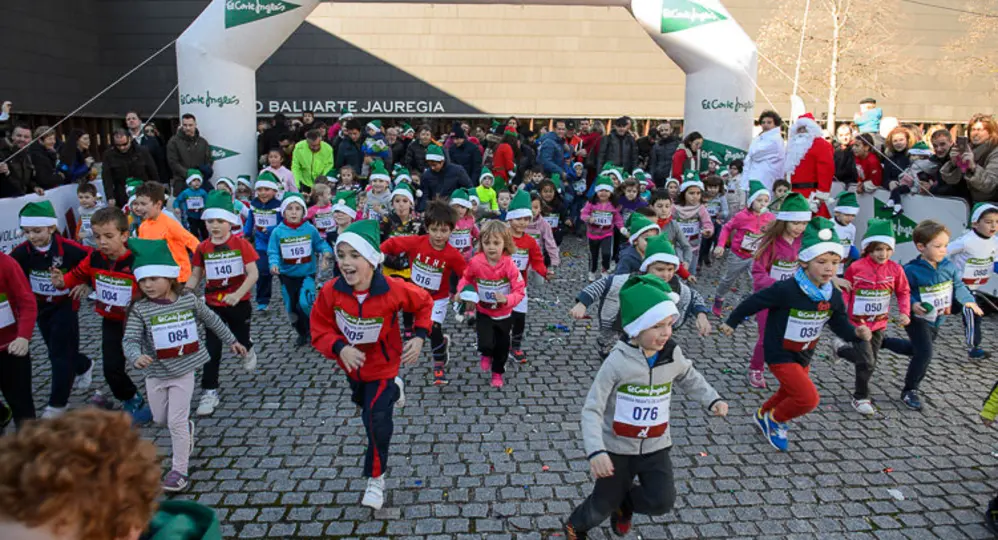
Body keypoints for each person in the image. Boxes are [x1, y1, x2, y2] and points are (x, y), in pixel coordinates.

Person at [562, 274, 726, 539]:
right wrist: (596, 451)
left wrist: (712, 399)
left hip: (656, 445)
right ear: (637, 329)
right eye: (657, 326)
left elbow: (688, 375)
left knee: (662, 501)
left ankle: (624, 504)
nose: (665, 333)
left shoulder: (672, 354)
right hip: (617, 449)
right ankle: (576, 525)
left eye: (669, 324)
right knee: (601, 505)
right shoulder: (616, 362)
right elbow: (592, 408)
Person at [311, 219, 431, 510]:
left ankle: (376, 478)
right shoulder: (331, 292)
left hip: (383, 367)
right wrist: (339, 347)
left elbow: (424, 302)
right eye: (341, 255)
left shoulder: (393, 289)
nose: (346, 263)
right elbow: (318, 328)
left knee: (375, 423)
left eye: (355, 256)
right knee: (363, 402)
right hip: (352, 369)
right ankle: (393, 390)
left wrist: (419, 336)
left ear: (372, 261)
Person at [721, 217, 870, 452]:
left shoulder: (832, 294)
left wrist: (857, 334)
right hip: (779, 352)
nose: (829, 268)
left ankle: (762, 415)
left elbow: (839, 323)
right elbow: (754, 301)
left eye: (834, 261)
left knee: (788, 391)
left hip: (804, 353)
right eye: (821, 262)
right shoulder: (787, 289)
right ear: (803, 262)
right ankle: (776, 420)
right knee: (808, 398)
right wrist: (733, 321)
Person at [124, 238, 248, 494]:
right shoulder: (140, 309)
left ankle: (179, 470)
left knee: (176, 422)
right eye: (143, 280)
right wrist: (136, 356)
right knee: (160, 419)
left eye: (154, 279)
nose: (148, 285)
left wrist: (232, 341)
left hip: (184, 371)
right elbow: (131, 338)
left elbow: (213, 320)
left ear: (170, 278)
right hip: (156, 373)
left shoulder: (188, 301)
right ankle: (185, 429)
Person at [52, 207, 152, 423]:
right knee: (111, 367)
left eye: (108, 236)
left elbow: (157, 286)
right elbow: (75, 276)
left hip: (141, 322)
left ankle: (168, 398)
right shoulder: (94, 258)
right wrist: (62, 281)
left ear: (124, 235)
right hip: (112, 321)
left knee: (156, 363)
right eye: (97, 237)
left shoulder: (137, 260)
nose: (102, 242)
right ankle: (132, 398)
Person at [881, 220, 981, 411]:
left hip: (938, 318)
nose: (943, 250)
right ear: (921, 247)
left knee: (915, 350)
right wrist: (913, 305)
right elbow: (902, 292)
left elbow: (958, 286)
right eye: (938, 246)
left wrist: (968, 301)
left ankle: (882, 342)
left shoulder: (948, 267)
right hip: (916, 319)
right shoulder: (910, 270)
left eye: (945, 245)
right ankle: (910, 390)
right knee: (925, 353)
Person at [11, 201, 92, 419]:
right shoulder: (21, 252)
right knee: (56, 350)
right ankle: (84, 365)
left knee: (59, 354)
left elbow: (95, 260)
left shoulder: (69, 248)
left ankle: (57, 404)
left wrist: (85, 283)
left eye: (37, 231)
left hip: (65, 305)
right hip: (41, 307)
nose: (32, 236)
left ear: (51, 228)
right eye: (27, 231)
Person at [186, 191, 260, 416]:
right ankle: (209, 391)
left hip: (239, 302)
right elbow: (196, 274)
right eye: (210, 221)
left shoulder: (241, 244)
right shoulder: (202, 248)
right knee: (212, 348)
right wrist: (186, 292)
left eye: (220, 221)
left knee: (240, 339)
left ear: (230, 222)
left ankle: (248, 347)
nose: (215, 226)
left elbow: (253, 273)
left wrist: (238, 294)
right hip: (212, 304)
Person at [381, 201, 467, 386]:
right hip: (415, 295)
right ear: (427, 227)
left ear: (451, 231)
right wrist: (377, 254)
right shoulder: (416, 242)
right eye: (434, 229)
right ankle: (442, 342)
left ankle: (438, 363)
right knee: (425, 329)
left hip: (438, 299)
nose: (438, 235)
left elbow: (466, 275)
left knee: (432, 328)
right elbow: (393, 243)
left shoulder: (453, 255)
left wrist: (463, 291)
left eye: (444, 231)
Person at [835, 219, 911, 415]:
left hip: (879, 324)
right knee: (867, 361)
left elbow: (903, 292)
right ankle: (860, 397)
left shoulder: (896, 269)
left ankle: (842, 351)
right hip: (857, 323)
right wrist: (843, 310)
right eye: (878, 249)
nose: (882, 254)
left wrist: (904, 312)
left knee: (870, 362)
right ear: (868, 248)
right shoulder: (856, 267)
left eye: (887, 249)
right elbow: (846, 290)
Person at [745, 193, 812, 389]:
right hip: (769, 297)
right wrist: (776, 286)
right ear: (784, 222)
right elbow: (758, 273)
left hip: (793, 298)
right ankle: (756, 368)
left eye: (803, 224)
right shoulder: (770, 243)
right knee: (767, 336)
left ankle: (788, 368)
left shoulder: (804, 244)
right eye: (795, 223)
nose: (799, 228)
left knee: (790, 335)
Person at [457, 220, 526, 388]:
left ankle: (497, 373)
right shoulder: (476, 262)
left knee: (502, 347)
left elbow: (520, 290)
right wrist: (463, 292)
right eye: (487, 243)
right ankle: (486, 353)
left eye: (496, 243)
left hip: (504, 314)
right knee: (485, 342)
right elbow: (466, 278)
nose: (491, 247)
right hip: (484, 312)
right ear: (481, 243)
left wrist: (507, 299)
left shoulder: (509, 265)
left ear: (505, 244)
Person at [267, 192, 331, 347]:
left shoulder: (310, 229)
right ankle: (301, 332)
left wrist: (326, 252)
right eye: (290, 209)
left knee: (305, 303)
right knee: (291, 308)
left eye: (297, 208)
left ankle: (314, 328)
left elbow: (320, 244)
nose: (294, 212)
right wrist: (273, 264)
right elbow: (273, 251)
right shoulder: (278, 232)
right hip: (286, 276)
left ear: (303, 212)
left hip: (307, 274)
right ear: (283, 212)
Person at [712, 181, 774, 317]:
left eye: (765, 201)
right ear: (751, 201)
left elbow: (774, 233)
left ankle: (749, 307)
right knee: (728, 279)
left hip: (756, 256)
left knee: (757, 282)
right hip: (738, 255)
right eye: (759, 200)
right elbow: (727, 227)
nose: (762, 204)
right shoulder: (741, 216)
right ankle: (718, 299)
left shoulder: (770, 218)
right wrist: (720, 245)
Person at [945, 203, 998, 360]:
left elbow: (995, 262)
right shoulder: (966, 241)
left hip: (973, 287)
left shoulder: (995, 241)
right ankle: (974, 348)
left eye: (996, 221)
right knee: (970, 311)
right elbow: (942, 252)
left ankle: (973, 347)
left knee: (959, 310)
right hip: (957, 285)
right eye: (988, 222)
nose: (993, 225)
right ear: (975, 222)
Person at [506, 190, 549, 365]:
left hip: (520, 286)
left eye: (526, 219)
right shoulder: (502, 237)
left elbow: (537, 260)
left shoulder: (530, 242)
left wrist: (545, 272)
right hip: (500, 285)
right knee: (501, 317)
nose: (523, 223)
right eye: (519, 219)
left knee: (519, 318)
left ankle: (515, 346)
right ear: (510, 219)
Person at [133, 182, 200, 284]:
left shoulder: (169, 224)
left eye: (143, 204)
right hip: (159, 278)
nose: (138, 208)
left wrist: (201, 267)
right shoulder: (143, 226)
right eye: (137, 204)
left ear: (158, 204)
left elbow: (193, 242)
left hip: (178, 278)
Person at [243, 172, 283, 311]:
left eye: (267, 189)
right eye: (260, 190)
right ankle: (263, 300)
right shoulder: (254, 204)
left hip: (278, 244)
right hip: (261, 243)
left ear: (274, 191)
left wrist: (271, 229)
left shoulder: (279, 205)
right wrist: (246, 233)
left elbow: (283, 224)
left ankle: (288, 295)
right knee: (263, 271)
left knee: (283, 272)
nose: (263, 193)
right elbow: (250, 220)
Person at [940, 113, 998, 203]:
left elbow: (990, 184)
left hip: (989, 203)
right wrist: (954, 163)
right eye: (973, 130)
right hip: (965, 201)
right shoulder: (967, 148)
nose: (975, 133)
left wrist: (973, 167)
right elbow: (951, 181)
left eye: (980, 130)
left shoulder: (994, 151)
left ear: (990, 132)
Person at [784, 113, 834, 217]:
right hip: (792, 193)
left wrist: (821, 195)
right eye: (799, 128)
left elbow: (826, 171)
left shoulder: (822, 145)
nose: (802, 131)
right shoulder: (792, 145)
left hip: (811, 194)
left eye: (805, 128)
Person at [581, 176, 625, 281]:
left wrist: (622, 228)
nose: (603, 193)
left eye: (606, 190)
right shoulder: (591, 203)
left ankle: (605, 269)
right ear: (596, 191)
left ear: (611, 192)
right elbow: (583, 214)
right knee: (593, 255)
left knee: (607, 253)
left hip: (607, 234)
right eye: (601, 190)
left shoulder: (613, 205)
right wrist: (588, 218)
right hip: (592, 234)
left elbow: (617, 218)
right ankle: (592, 270)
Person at [104, 128, 159, 206]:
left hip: (143, 190)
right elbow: (107, 178)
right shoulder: (109, 154)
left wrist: (156, 192)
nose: (122, 148)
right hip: (121, 193)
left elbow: (153, 172)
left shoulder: (142, 151)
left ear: (130, 139)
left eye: (124, 144)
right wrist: (110, 196)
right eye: (118, 145)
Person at [673, 173, 714, 275]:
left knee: (691, 272)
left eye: (698, 193)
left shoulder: (701, 208)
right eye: (691, 193)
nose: (695, 196)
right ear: (683, 193)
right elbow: (668, 222)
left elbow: (707, 223)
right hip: (677, 245)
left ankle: (690, 289)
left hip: (693, 246)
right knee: (678, 271)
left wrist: (708, 231)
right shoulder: (674, 208)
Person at [166, 114, 212, 196]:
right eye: (185, 125)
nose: (188, 128)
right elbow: (173, 163)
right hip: (181, 183)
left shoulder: (203, 142)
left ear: (195, 125)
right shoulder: (173, 142)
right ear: (181, 125)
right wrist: (189, 174)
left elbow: (209, 161)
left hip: (200, 183)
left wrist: (199, 175)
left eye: (190, 125)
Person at [742, 110, 786, 190]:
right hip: (758, 176)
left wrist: (751, 151)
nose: (765, 124)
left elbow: (755, 154)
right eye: (763, 122)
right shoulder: (760, 137)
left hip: (767, 177)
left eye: (769, 122)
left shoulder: (776, 139)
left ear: (775, 123)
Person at [126, 111, 170, 185]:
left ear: (140, 121)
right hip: (131, 181)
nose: (131, 120)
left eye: (134, 118)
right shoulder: (123, 141)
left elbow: (160, 162)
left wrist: (164, 181)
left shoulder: (152, 140)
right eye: (128, 119)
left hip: (150, 180)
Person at [0, 124, 44, 198]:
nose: (22, 139)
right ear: (12, 136)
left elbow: (28, 179)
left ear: (31, 140)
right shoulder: (2, 153)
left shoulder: (28, 155)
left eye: (26, 137)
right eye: (19, 136)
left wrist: (34, 187)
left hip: (20, 201)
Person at [294, 129, 334, 194]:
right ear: (307, 142)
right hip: (304, 183)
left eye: (317, 144)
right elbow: (295, 166)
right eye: (312, 145)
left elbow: (329, 165)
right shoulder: (299, 147)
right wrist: (296, 184)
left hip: (321, 183)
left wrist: (321, 180)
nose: (315, 147)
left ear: (321, 140)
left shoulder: (328, 148)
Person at [173, 169, 210, 241]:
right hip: (191, 216)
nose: (197, 182)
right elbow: (177, 201)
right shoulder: (185, 193)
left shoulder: (203, 192)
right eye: (194, 180)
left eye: (198, 180)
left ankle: (206, 243)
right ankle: (195, 245)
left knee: (204, 231)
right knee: (193, 232)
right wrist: (176, 207)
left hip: (202, 216)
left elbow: (208, 202)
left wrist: (206, 209)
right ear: (189, 182)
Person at [448, 188, 479, 262]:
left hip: (467, 257)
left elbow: (478, 234)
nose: (459, 210)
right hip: (450, 257)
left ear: (467, 208)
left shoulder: (470, 220)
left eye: (463, 207)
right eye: (457, 206)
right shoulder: (448, 220)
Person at [649, 122, 680, 188]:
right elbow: (653, 164)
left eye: (666, 130)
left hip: (673, 177)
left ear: (671, 130)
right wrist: (652, 179)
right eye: (662, 130)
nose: (664, 132)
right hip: (659, 177)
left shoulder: (678, 144)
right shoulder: (656, 146)